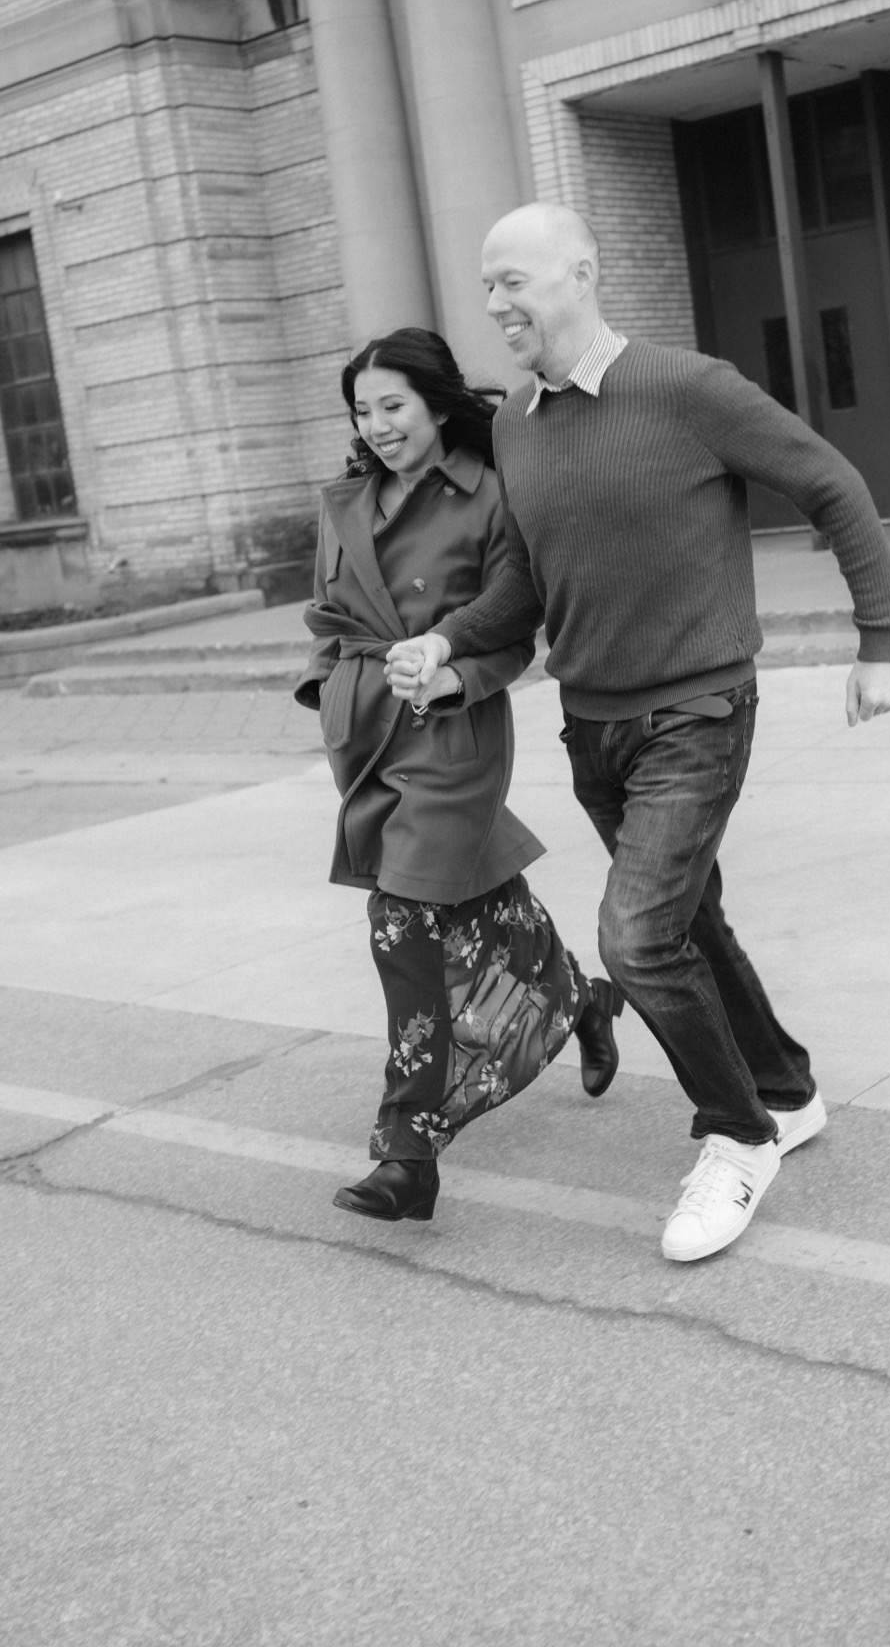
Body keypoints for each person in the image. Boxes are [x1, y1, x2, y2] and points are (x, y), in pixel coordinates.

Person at [386, 204, 890, 1262]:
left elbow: (832, 485)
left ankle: (735, 1136)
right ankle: (784, 1089)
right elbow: (524, 587)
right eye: (485, 286)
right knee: (686, 924)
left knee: (634, 938)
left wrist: (881, 641)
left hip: (699, 710)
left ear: (580, 273)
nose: (495, 305)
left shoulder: (687, 389)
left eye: (513, 281)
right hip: (595, 730)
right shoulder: (519, 426)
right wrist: (446, 645)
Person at [294, 326, 625, 1224]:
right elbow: (327, 612)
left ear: (438, 405)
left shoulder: (489, 499)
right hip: (365, 731)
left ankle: (407, 1151)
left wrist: (454, 675)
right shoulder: (345, 501)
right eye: (363, 410)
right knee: (469, 900)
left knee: (401, 924)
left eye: (393, 405)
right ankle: (586, 999)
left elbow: (517, 624)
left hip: (451, 729)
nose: (378, 424)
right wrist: (329, 687)